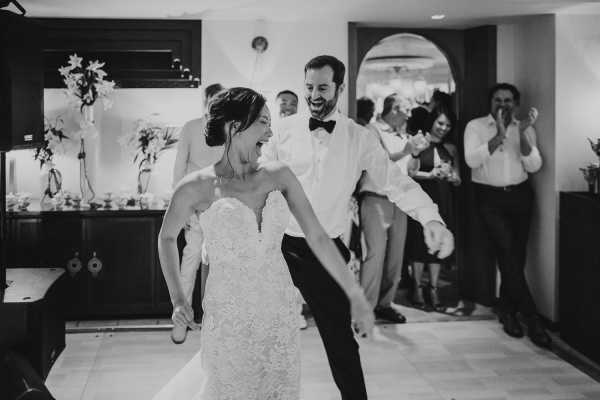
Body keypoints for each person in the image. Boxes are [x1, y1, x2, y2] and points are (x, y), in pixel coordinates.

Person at [154, 87, 374, 400]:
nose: (270, 133)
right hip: (227, 311)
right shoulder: (195, 187)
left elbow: (318, 236)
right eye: (263, 122)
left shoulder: (280, 175)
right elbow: (165, 237)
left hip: (278, 306)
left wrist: (355, 294)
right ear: (234, 127)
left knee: (279, 388)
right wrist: (178, 298)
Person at [260, 55, 454, 400]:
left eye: (322, 87)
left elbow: (397, 184)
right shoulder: (283, 132)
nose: (314, 95)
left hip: (326, 252)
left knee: (340, 342)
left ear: (340, 87)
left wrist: (432, 218)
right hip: (278, 245)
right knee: (266, 338)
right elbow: (257, 184)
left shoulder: (359, 138)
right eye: (309, 87)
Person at [464, 82, 551, 349]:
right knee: (507, 252)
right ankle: (533, 319)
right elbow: (471, 160)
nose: (503, 104)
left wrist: (522, 134)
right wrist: (498, 137)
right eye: (498, 100)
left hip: (520, 197)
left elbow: (534, 165)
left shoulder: (524, 127)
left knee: (515, 257)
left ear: (516, 103)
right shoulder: (476, 127)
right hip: (489, 199)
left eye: (508, 100)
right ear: (490, 103)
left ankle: (507, 310)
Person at [357, 93, 424, 323]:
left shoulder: (403, 134)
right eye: (406, 108)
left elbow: (411, 170)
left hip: (400, 201)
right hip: (376, 198)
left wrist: (414, 153)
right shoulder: (372, 130)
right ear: (394, 108)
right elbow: (379, 162)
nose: (410, 112)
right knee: (375, 255)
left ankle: (385, 304)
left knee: (396, 257)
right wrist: (406, 150)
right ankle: (364, 309)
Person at [170, 83, 225, 344]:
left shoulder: (231, 128)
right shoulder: (191, 127)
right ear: (205, 101)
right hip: (193, 204)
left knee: (218, 264)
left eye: (221, 98)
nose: (217, 102)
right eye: (213, 98)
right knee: (190, 258)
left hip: (221, 205)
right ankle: (181, 321)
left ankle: (213, 322)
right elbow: (179, 166)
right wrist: (180, 205)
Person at [408, 104, 461, 311]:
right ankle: (417, 288)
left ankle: (433, 288)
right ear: (432, 121)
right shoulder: (420, 142)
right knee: (418, 243)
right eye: (440, 123)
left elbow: (458, 179)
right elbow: (410, 172)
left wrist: (452, 176)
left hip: (443, 197)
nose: (443, 128)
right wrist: (429, 175)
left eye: (448, 125)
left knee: (438, 242)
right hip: (421, 196)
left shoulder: (451, 148)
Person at [276, 88, 308, 330]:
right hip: (273, 204)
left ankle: (296, 311)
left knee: (296, 260)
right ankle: (276, 311)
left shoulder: (304, 135)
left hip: (296, 204)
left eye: (292, 104)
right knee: (275, 260)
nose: (287, 106)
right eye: (283, 102)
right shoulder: (266, 132)